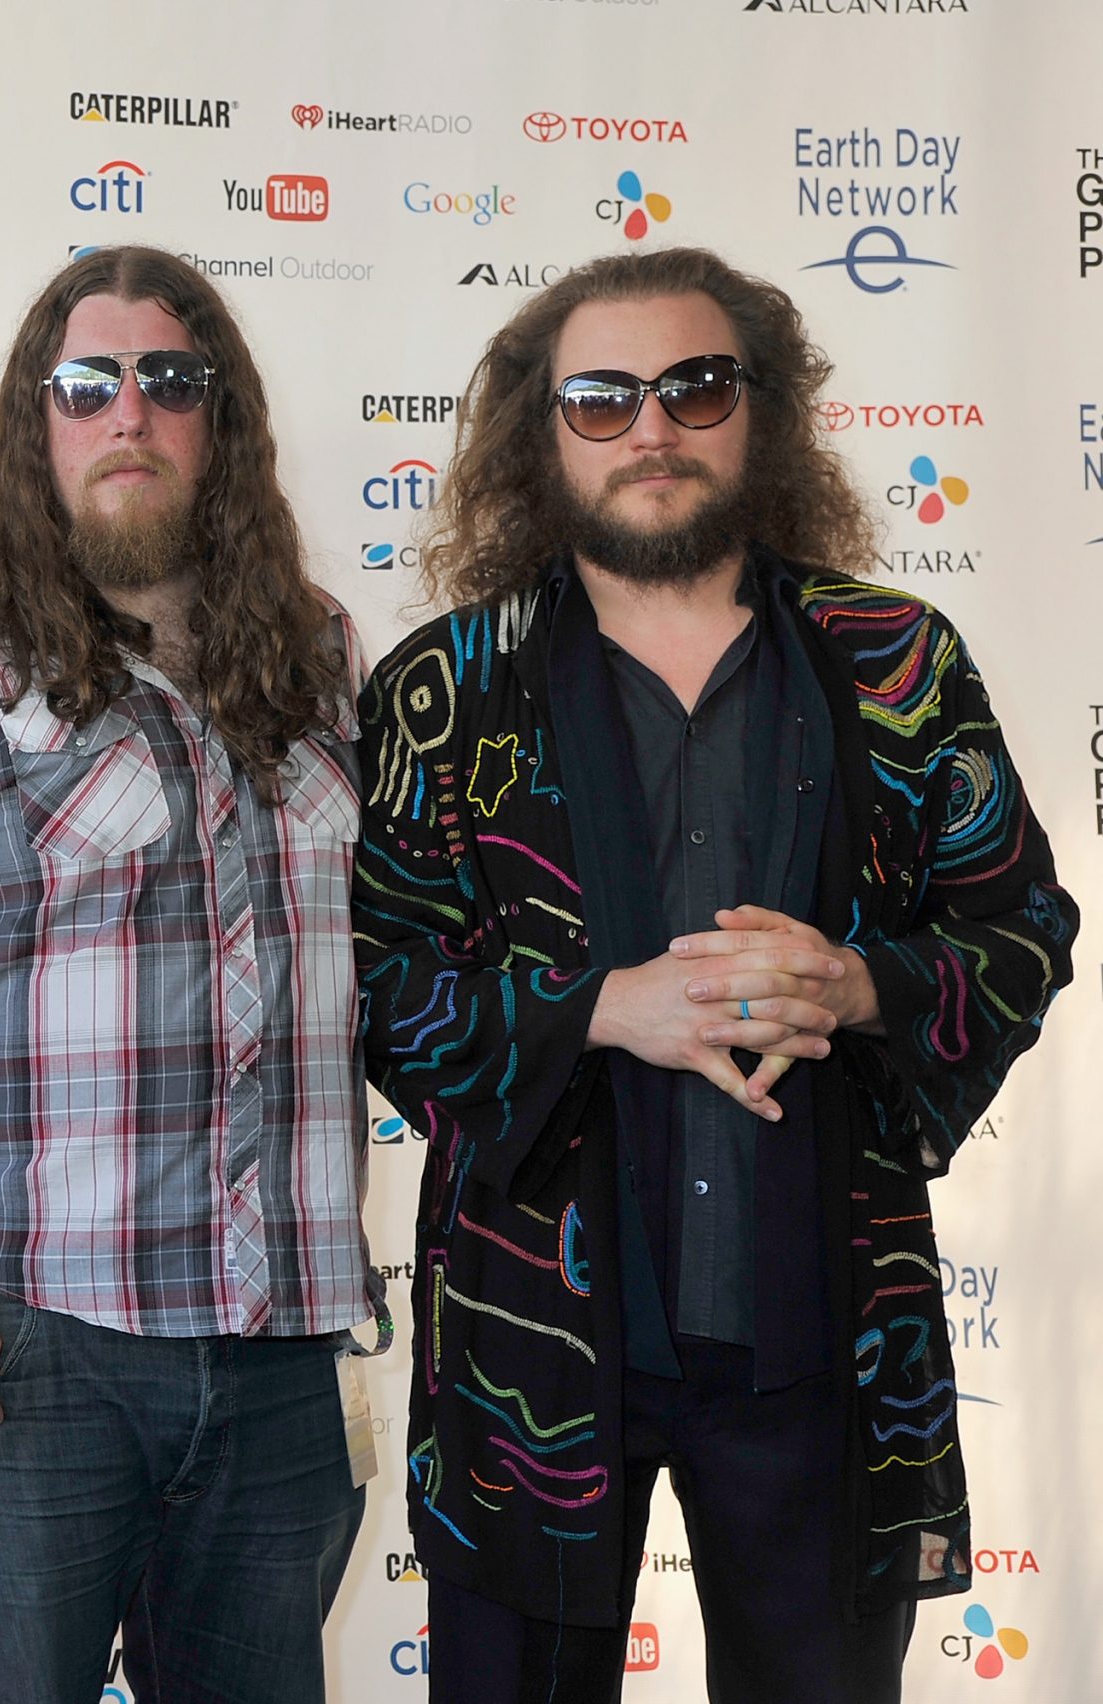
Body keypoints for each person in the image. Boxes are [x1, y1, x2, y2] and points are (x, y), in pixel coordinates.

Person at [353, 245, 1076, 1703]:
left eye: (694, 387)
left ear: (761, 410)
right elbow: (373, 984)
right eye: (602, 399)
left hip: (825, 1333)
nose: (653, 429)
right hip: (531, 1350)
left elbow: (1023, 929)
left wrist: (862, 985)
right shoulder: (445, 688)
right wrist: (597, 1011)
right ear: (544, 433)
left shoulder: (898, 664)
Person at [0, 244, 384, 1704]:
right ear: (34, 422)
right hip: (28, 1348)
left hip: (283, 1349)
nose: (130, 414)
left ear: (222, 420)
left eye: (170, 379)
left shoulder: (320, 658)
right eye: (87, 383)